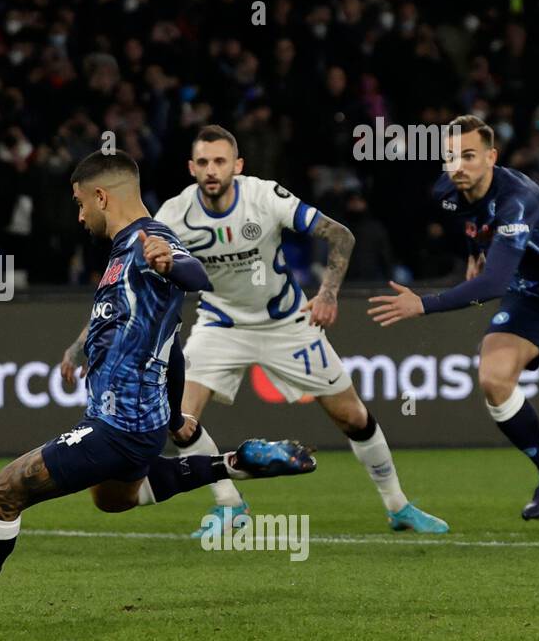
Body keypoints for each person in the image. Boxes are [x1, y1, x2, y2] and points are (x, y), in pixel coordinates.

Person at [0, 150, 316, 618]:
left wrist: (173, 265)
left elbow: (195, 275)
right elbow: (171, 342)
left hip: (120, 424)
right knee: (113, 499)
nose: (79, 216)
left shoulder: (148, 238)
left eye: (80, 204)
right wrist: (174, 413)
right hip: (140, 420)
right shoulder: (124, 252)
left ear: (101, 196)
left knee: (4, 490)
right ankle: (234, 463)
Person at [129, 125, 446, 535]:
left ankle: (398, 506)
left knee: (352, 417)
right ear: (191, 167)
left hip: (287, 324)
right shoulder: (174, 214)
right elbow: (140, 276)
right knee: (181, 419)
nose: (212, 170)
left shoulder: (264, 196)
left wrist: (328, 293)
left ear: (237, 165)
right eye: (203, 162)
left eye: (220, 161)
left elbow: (340, 235)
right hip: (220, 325)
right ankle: (230, 506)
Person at [369, 114, 539, 519]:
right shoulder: (448, 190)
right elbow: (474, 225)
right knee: (493, 378)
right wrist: (474, 252)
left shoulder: (518, 199)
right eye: (450, 157)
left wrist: (423, 303)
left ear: (491, 156)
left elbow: (494, 284)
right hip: (531, 297)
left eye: (469, 156)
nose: (458, 165)